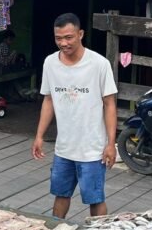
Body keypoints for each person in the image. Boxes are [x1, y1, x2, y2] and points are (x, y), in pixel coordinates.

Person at [32, 12, 117, 218]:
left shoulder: (99, 64)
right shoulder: (50, 63)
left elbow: (109, 104)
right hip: (64, 147)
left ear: (80, 34)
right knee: (60, 194)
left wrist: (110, 143)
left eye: (69, 37)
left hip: (93, 149)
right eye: (58, 38)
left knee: (95, 199)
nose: (64, 43)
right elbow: (48, 100)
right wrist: (39, 135)